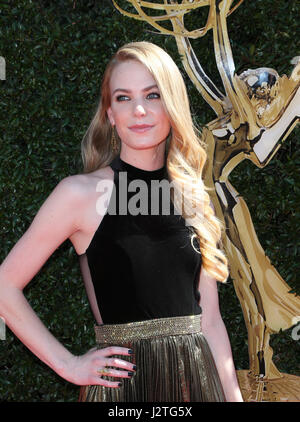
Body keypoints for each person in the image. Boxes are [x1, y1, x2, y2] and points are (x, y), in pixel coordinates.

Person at [0, 41, 243, 402]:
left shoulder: (193, 197)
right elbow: (5, 285)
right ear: (110, 114)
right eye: (124, 98)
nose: (140, 110)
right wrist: (68, 364)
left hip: (197, 386)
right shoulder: (80, 195)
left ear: (173, 104)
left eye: (153, 95)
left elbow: (209, 321)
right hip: (124, 390)